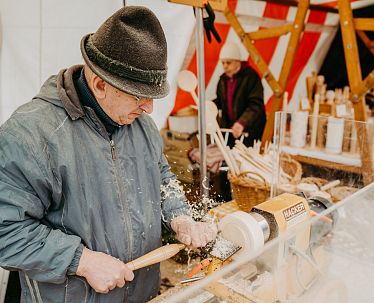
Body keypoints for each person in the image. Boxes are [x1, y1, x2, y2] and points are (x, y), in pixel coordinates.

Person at [0, 6, 217, 303]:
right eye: (140, 96)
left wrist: (180, 217)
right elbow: (5, 230)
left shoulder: (142, 126)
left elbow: (162, 177)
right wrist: (81, 261)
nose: (150, 109)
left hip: (142, 294)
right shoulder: (31, 135)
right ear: (101, 85)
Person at [214, 42, 266, 148]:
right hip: (230, 130)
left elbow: (256, 104)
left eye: (228, 63)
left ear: (238, 62)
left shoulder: (251, 77)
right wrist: (208, 105)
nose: (225, 66)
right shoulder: (223, 80)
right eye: (223, 63)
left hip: (250, 131)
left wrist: (242, 122)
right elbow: (220, 101)